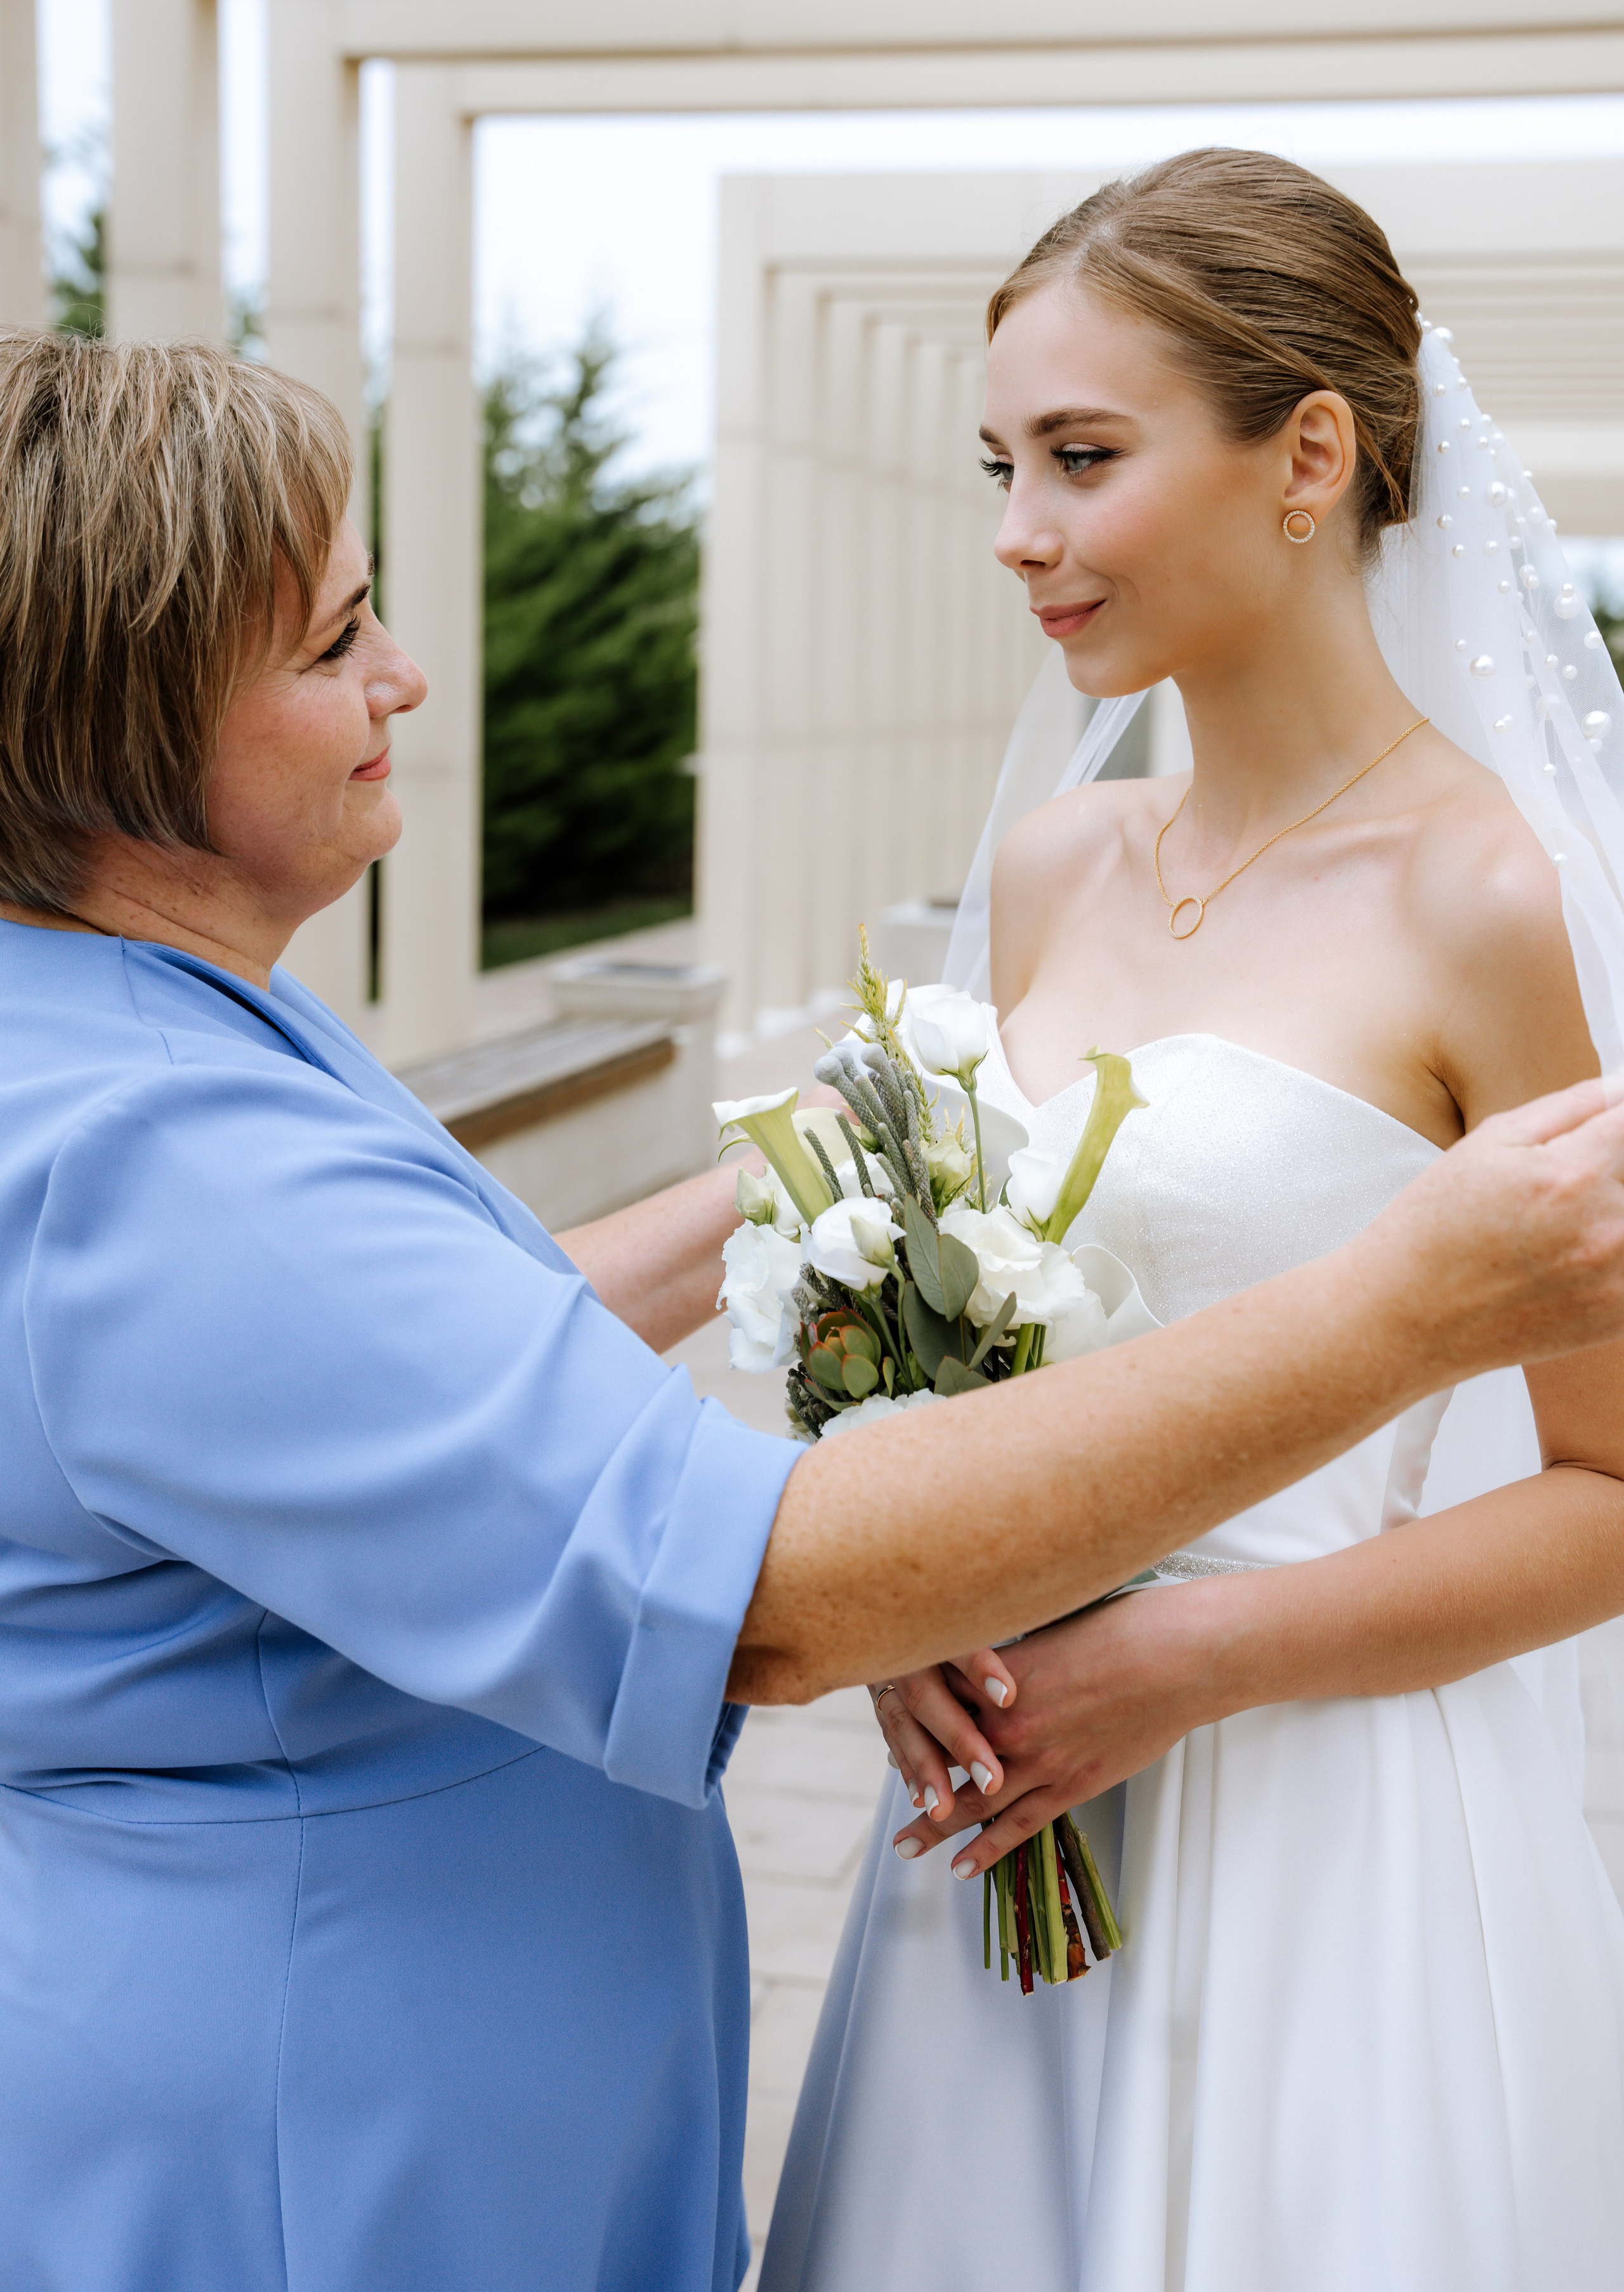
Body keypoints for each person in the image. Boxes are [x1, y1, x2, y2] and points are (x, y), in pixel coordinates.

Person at [0, 336, 1620, 2292]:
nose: (405, 679)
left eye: (1082, 454)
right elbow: (763, 1598)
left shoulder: (144, 1039)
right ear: (126, 718)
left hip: (1294, 1857)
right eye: (338, 640)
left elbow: (441, 1372)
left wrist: (824, 1180)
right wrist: (1398, 1306)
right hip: (316, 2166)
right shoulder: (156, 1148)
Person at [763, 151, 1624, 2292]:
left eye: (1081, 456)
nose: (1015, 533)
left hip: (1318, 1815)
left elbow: (1614, 1486)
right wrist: (910, 1601)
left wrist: (1180, 1658)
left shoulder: (1491, 902)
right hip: (996, 1824)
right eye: (1000, 463)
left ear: (1309, 454)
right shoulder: (1063, 861)